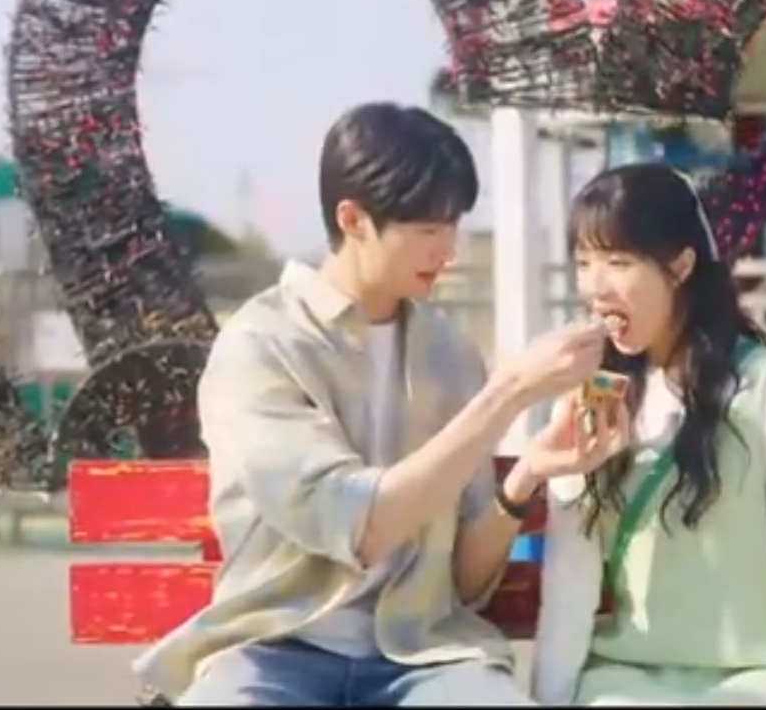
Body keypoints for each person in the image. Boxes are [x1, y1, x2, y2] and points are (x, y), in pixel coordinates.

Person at [132, 101, 625, 706]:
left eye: (453, 226)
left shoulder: (450, 355)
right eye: (428, 230)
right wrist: (511, 390)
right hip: (274, 653)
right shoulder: (261, 346)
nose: (448, 251)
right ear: (353, 220)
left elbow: (467, 583)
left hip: (424, 658)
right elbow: (361, 527)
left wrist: (525, 476)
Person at [529, 163, 766, 706]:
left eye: (618, 262)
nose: (595, 286)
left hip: (762, 679)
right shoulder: (589, 394)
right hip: (626, 681)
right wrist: (547, 699)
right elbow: (571, 576)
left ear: (681, 265)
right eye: (584, 263)